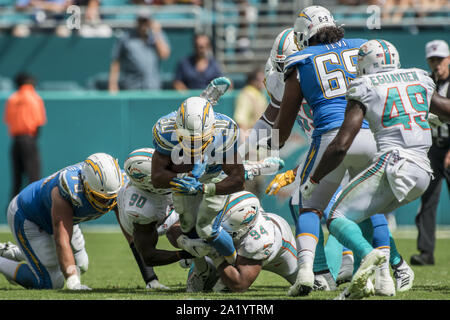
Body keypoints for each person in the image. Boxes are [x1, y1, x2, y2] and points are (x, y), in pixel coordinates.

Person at [299, 39, 450, 299]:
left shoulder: (365, 85)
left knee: (336, 216)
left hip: (394, 165)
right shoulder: (418, 77)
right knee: (365, 213)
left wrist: (314, 178)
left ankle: (373, 258)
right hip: (423, 172)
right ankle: (382, 283)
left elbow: (340, 145)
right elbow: (446, 110)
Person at [268, 5, 397, 297]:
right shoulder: (360, 47)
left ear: (303, 33)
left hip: (330, 138)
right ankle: (385, 277)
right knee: (371, 208)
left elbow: (284, 125)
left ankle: (305, 272)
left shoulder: (299, 60)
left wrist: (272, 142)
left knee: (308, 204)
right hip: (369, 135)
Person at [0, 153, 123, 290]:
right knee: (50, 282)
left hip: (61, 217)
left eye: (110, 197)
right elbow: (61, 240)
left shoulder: (117, 184)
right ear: (86, 184)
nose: (106, 202)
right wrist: (74, 283)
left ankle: (13, 252)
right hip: (29, 216)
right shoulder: (69, 190)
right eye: (100, 197)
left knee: (81, 264)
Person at [151, 95, 245, 268]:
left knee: (207, 228)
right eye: (187, 139)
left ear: (212, 129)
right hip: (184, 178)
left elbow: (238, 180)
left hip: (215, 176)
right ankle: (202, 269)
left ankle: (235, 265)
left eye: (200, 140)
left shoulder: (225, 132)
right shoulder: (165, 131)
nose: (194, 145)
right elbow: (157, 177)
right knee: (187, 225)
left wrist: (205, 187)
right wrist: (180, 178)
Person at [117, 147, 199, 290]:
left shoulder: (157, 174)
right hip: (156, 222)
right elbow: (149, 256)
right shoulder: (140, 210)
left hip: (166, 205)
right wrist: (183, 253)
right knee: (179, 233)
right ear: (149, 181)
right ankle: (195, 259)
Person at [411, 40, 450, 266]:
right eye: (433, 60)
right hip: (434, 147)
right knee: (427, 200)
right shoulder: (425, 82)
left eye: (441, 59)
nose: (437, 65)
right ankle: (425, 253)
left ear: (449, 59)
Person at [4, 72, 47, 200]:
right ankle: (33, 209)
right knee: (34, 178)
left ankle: (11, 212)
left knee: (16, 180)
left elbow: (8, 120)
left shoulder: (12, 99)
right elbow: (39, 123)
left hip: (16, 141)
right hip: (29, 140)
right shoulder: (34, 97)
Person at [108, 15, 170, 92]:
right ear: (137, 22)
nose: (144, 25)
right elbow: (116, 61)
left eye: (146, 22)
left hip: (153, 87)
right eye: (141, 21)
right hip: (132, 87)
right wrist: (112, 84)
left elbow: (164, 55)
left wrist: (156, 33)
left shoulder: (157, 35)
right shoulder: (126, 38)